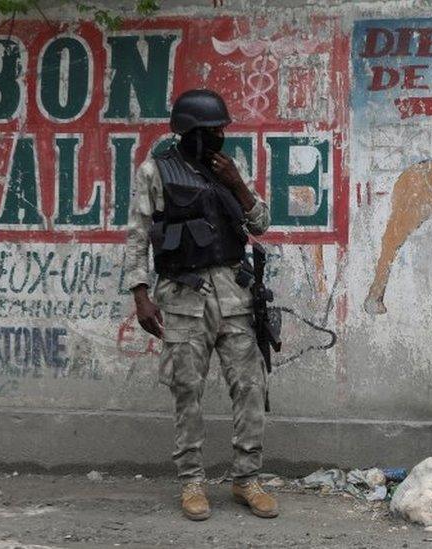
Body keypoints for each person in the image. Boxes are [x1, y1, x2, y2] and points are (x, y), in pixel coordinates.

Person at [123, 89, 278, 521]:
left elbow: (261, 225)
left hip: (233, 291)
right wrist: (140, 295)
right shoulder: (155, 171)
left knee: (249, 385)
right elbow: (138, 233)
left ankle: (247, 478)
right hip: (183, 294)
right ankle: (192, 480)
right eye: (214, 130)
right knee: (186, 388)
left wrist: (238, 185)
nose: (221, 137)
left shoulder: (230, 170)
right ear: (192, 133)